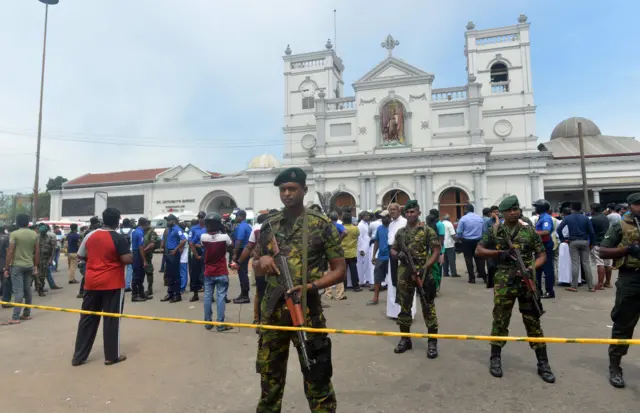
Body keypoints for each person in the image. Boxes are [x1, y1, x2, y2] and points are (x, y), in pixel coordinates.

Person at [253, 167, 346, 412]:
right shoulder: (268, 227)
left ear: (304, 190)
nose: (286, 194)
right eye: (282, 189)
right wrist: (261, 262)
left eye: (292, 189)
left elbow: (339, 270)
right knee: (269, 381)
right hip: (273, 315)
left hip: (307, 312)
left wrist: (311, 286)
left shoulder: (321, 225)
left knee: (317, 377)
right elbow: (255, 264)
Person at [475, 195, 555, 383]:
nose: (514, 212)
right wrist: (498, 253)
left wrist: (531, 268)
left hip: (526, 280)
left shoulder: (528, 230)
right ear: (502, 212)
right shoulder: (495, 230)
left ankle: (543, 363)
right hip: (504, 282)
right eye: (510, 209)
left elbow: (542, 254)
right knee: (500, 319)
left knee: (533, 321)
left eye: (516, 208)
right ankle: (495, 358)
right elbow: (479, 250)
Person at [71, 207, 132, 367]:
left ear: (103, 219)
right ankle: (111, 356)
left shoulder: (90, 235)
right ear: (118, 220)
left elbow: (81, 255)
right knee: (111, 320)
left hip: (91, 282)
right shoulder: (119, 238)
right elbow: (126, 259)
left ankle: (79, 357)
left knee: (87, 319)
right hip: (112, 283)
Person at [598, 192, 640, 389]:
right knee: (623, 323)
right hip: (631, 278)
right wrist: (627, 250)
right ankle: (615, 366)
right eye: (638, 205)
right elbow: (603, 250)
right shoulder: (619, 226)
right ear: (630, 206)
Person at [390, 200, 441, 358]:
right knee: (404, 307)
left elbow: (435, 251)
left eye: (413, 212)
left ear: (419, 212)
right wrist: (398, 255)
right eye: (408, 212)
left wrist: (426, 266)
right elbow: (393, 248)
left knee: (428, 306)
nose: (410, 214)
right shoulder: (401, 232)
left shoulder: (427, 231)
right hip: (405, 273)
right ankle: (405, 339)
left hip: (423, 273)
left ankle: (432, 342)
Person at [200, 213, 233, 333]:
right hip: (221, 271)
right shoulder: (225, 237)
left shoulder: (203, 237)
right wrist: (223, 231)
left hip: (208, 271)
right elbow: (231, 246)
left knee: (208, 297)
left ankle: (208, 322)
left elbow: (205, 245)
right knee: (221, 297)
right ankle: (220, 324)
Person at [3, 215, 39, 324]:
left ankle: (15, 317)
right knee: (27, 290)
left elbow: (10, 251)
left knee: (18, 291)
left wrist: (6, 267)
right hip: (29, 265)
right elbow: (37, 251)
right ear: (28, 223)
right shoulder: (34, 234)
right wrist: (35, 265)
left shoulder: (14, 234)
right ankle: (26, 314)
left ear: (17, 223)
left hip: (17, 266)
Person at [557, 202, 595, 292]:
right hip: (585, 241)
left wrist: (563, 239)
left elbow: (559, 229)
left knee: (575, 263)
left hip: (573, 241)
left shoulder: (567, 218)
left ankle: (574, 286)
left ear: (571, 208)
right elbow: (592, 232)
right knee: (586, 264)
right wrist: (592, 243)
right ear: (580, 208)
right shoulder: (586, 218)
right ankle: (591, 286)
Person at [386, 203, 408, 319]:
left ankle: (404, 311)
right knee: (393, 282)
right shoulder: (390, 224)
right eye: (390, 210)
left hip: (401, 254)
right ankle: (394, 312)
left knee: (402, 283)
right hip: (392, 254)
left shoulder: (404, 222)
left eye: (394, 209)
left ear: (399, 211)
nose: (392, 212)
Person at [456, 203, 486, 283]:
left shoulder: (463, 219)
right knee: (480, 259)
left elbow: (459, 232)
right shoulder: (480, 218)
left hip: (467, 242)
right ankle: (484, 277)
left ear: (466, 210)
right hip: (478, 241)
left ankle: (472, 278)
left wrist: (459, 239)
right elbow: (484, 231)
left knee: (468, 259)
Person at [160, 214, 187, 303]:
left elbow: (183, 240)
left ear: (173, 221)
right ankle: (170, 293)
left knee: (175, 275)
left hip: (174, 253)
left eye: (169, 220)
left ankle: (177, 295)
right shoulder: (169, 229)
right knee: (169, 274)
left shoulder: (177, 229)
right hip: (168, 253)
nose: (167, 222)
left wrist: (176, 250)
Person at [533, 199, 556, 299]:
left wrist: (532, 232)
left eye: (536, 206)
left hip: (545, 245)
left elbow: (546, 231)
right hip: (540, 245)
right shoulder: (541, 217)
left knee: (547, 269)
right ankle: (538, 290)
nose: (535, 208)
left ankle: (549, 291)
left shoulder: (546, 218)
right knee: (538, 268)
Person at [368, 210, 391, 305]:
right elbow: (376, 241)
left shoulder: (393, 228)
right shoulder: (379, 228)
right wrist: (374, 255)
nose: (382, 219)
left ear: (389, 218)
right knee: (377, 278)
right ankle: (375, 298)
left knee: (393, 279)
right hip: (381, 257)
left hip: (391, 258)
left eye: (384, 217)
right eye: (381, 217)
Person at [324, 211, 347, 300]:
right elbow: (345, 232)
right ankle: (339, 294)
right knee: (338, 271)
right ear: (337, 218)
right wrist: (339, 240)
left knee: (327, 272)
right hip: (336, 251)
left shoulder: (326, 225)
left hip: (326, 251)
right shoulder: (338, 225)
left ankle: (328, 294)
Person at [232, 209, 252, 304]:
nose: (236, 218)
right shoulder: (247, 226)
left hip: (242, 250)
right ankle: (244, 294)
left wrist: (235, 253)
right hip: (246, 250)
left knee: (242, 272)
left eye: (237, 216)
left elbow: (239, 241)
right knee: (243, 272)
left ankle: (245, 296)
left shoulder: (242, 227)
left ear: (241, 216)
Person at [590, 203, 612, 290]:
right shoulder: (605, 218)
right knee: (608, 263)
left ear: (593, 210)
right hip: (608, 243)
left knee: (600, 263)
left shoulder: (593, 219)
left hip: (598, 243)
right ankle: (608, 282)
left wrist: (591, 243)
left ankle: (600, 284)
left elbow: (591, 233)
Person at [77, 217, 101, 298]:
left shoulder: (88, 231)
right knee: (87, 274)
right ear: (95, 223)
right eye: (97, 223)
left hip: (92, 254)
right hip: (89, 255)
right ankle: (82, 291)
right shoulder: (89, 232)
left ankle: (85, 291)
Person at [36, 223, 60, 296]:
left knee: (43, 275)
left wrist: (50, 259)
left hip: (45, 259)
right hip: (37, 259)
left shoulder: (49, 238)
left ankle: (41, 290)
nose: (43, 232)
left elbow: (52, 249)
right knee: (34, 275)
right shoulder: (36, 238)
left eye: (44, 231)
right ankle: (35, 288)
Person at [188, 212, 207, 302]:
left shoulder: (208, 228)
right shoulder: (193, 229)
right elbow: (190, 242)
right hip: (196, 253)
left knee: (206, 274)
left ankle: (209, 295)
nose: (200, 219)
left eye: (202, 217)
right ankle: (195, 294)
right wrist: (196, 254)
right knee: (194, 274)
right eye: (199, 217)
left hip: (206, 253)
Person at [130, 218, 150, 302]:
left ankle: (141, 294)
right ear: (145, 224)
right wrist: (144, 260)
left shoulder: (135, 231)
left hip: (135, 253)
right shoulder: (140, 233)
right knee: (137, 275)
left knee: (140, 274)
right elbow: (141, 247)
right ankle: (134, 295)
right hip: (137, 254)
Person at [341, 211, 361, 291]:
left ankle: (344, 287)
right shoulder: (355, 228)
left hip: (343, 252)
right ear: (350, 220)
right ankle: (356, 286)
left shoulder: (341, 228)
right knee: (353, 270)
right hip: (352, 252)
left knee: (343, 271)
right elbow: (358, 235)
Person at [141, 220, 159, 297]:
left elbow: (152, 244)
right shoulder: (141, 231)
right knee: (140, 272)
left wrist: (143, 251)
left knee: (149, 271)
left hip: (147, 255)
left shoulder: (152, 232)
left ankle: (149, 289)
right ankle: (140, 289)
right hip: (141, 254)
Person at [357, 212, 372, 286]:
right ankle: (363, 281)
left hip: (367, 246)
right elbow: (360, 238)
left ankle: (367, 280)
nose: (368, 217)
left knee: (367, 264)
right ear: (363, 216)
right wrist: (361, 249)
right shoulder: (360, 225)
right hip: (363, 248)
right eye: (367, 215)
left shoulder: (366, 224)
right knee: (363, 265)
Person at [119, 219, 134, 292]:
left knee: (119, 268)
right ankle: (127, 285)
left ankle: (119, 284)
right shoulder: (133, 231)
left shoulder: (118, 231)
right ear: (129, 223)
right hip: (130, 251)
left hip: (120, 251)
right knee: (129, 268)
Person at [0, 226, 11, 307]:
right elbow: (8, 252)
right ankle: (5, 301)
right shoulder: (6, 238)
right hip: (3, 263)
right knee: (6, 282)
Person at [179, 222, 189, 293]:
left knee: (183, 273)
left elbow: (181, 247)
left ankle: (182, 287)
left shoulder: (183, 235)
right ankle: (183, 286)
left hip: (182, 257)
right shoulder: (186, 234)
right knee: (184, 272)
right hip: (184, 256)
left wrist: (179, 255)